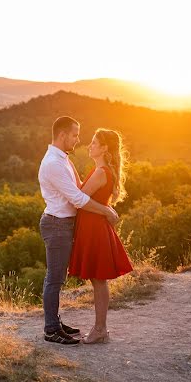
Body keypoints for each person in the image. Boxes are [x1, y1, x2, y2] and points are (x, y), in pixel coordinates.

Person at [38, 116, 119, 345]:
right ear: (63, 135)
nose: (78, 140)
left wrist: (104, 209)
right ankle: (51, 329)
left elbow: (82, 190)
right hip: (57, 224)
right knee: (54, 279)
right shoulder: (54, 163)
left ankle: (56, 322)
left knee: (61, 277)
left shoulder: (63, 159)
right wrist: (106, 211)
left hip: (67, 225)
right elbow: (77, 198)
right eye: (74, 135)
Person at [67, 128, 133, 343]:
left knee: (98, 280)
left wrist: (104, 210)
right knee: (98, 280)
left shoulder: (101, 172)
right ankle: (100, 329)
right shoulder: (101, 170)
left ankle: (100, 329)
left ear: (104, 148)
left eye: (94, 143)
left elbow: (79, 198)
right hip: (93, 226)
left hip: (94, 228)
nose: (90, 145)